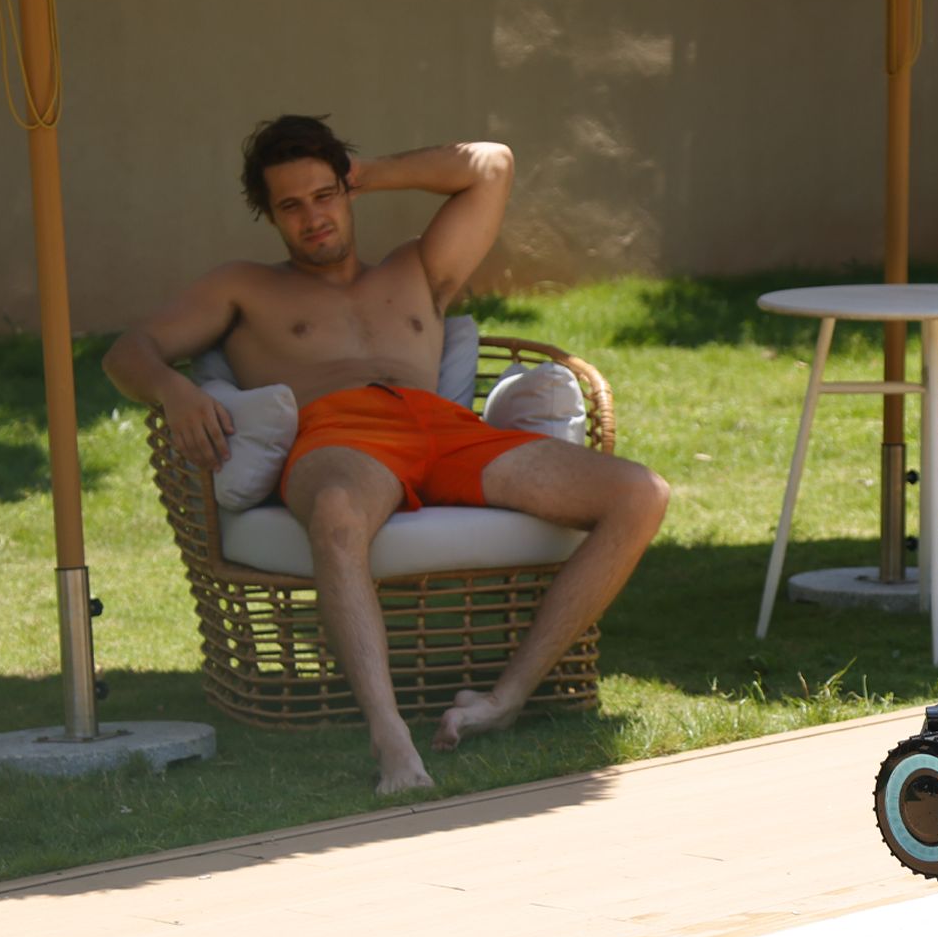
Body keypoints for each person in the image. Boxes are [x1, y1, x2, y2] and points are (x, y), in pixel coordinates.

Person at [104, 115, 669, 794]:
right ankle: (392, 739)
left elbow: (490, 163)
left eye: (325, 195)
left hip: (446, 429)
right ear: (271, 217)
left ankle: (506, 698)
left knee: (641, 493)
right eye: (291, 205)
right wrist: (172, 392)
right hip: (342, 434)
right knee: (339, 515)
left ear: (347, 190)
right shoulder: (244, 287)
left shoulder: (418, 268)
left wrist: (367, 172)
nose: (313, 217)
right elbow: (127, 351)